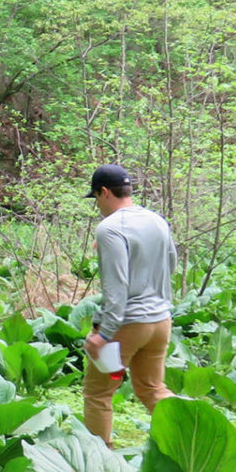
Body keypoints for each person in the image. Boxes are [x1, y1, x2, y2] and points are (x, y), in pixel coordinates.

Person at [81, 164, 177, 445]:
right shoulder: (157, 220)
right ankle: (194, 433)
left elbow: (116, 288)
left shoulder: (109, 229)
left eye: (96, 197)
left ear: (105, 192)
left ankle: (100, 461)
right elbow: (171, 264)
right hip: (160, 323)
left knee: (99, 393)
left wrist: (104, 335)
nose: (98, 204)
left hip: (125, 329)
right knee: (152, 389)